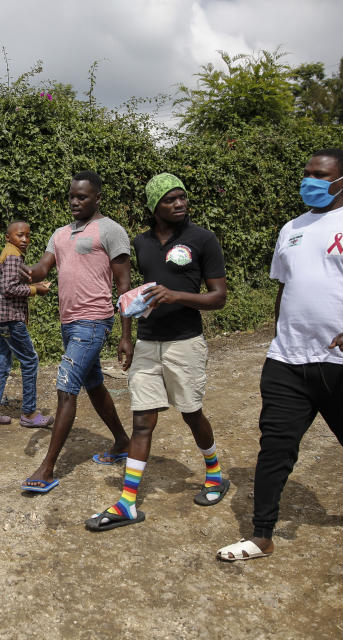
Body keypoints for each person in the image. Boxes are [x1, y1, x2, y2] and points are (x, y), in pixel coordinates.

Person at [217, 148, 343, 562]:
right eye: (306, 173)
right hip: (287, 359)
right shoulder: (291, 228)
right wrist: (280, 335)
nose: (309, 180)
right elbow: (285, 288)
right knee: (275, 445)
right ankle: (261, 534)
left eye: (320, 174)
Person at [85, 173, 229, 532]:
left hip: (185, 343)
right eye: (170, 199)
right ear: (154, 206)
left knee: (192, 413)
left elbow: (219, 297)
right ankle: (127, 503)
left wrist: (177, 295)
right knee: (142, 421)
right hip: (148, 343)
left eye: (182, 198)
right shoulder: (142, 243)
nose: (180, 204)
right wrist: (127, 336)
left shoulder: (202, 239)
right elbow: (138, 295)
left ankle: (214, 474)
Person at [20, 170, 133, 493]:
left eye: (82, 197)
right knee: (94, 384)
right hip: (68, 323)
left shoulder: (110, 231)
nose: (74, 202)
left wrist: (126, 335)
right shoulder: (59, 234)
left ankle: (47, 467)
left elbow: (124, 285)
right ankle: (122, 440)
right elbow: (43, 268)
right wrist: (25, 271)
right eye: (71, 196)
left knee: (66, 385)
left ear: (97, 198)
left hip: (95, 320)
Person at [0, 220, 53, 428]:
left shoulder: (9, 252)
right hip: (10, 317)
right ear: (8, 237)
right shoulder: (12, 255)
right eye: (20, 235)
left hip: (0, 316)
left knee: (2, 363)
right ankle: (29, 414)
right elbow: (9, 289)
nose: (25, 240)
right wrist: (36, 290)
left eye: (27, 236)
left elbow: (9, 285)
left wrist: (33, 285)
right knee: (30, 360)